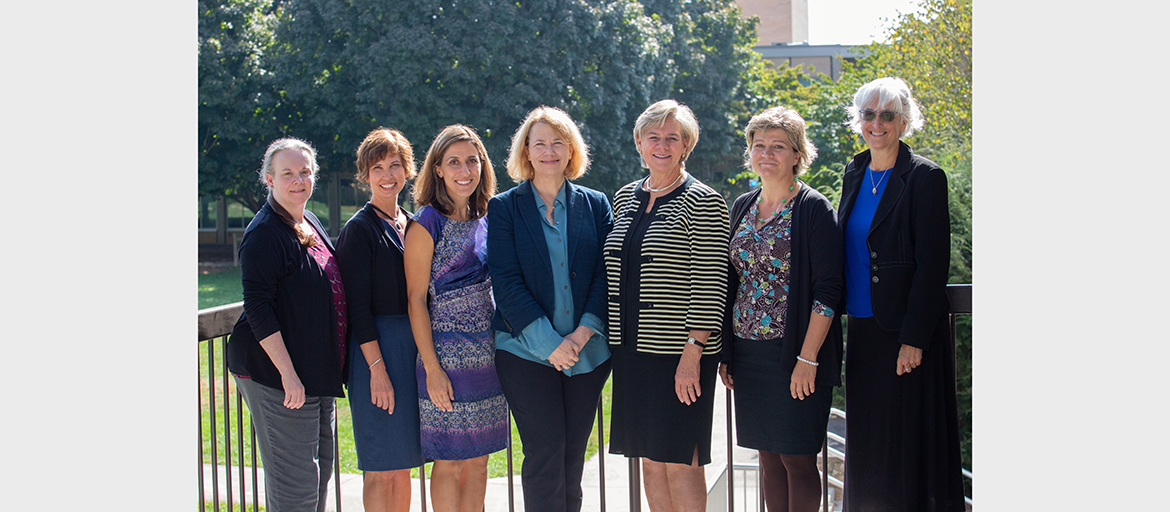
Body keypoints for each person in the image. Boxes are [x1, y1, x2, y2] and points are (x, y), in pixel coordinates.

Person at [837, 77, 965, 511]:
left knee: (908, 447)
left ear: (904, 122)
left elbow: (932, 265)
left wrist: (913, 336)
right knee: (868, 443)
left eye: (887, 115)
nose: (877, 123)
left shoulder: (926, 177)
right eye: (868, 114)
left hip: (906, 336)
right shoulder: (853, 172)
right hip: (863, 327)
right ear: (858, 121)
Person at [603, 99, 730, 512]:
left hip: (679, 354)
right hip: (631, 350)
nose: (662, 145)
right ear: (639, 142)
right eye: (653, 136)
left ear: (686, 145)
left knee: (681, 460)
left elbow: (712, 283)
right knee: (649, 460)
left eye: (672, 137)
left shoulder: (704, 201)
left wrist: (693, 352)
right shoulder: (624, 198)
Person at [487, 106, 613, 512]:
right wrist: (549, 345)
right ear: (525, 150)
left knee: (572, 458)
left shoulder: (595, 205)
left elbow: (604, 275)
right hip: (524, 353)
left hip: (586, 352)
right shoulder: (504, 208)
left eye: (558, 142)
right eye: (539, 142)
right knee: (545, 454)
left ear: (571, 149)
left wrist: (579, 335)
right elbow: (505, 283)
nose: (549, 151)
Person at [717, 106, 843, 512]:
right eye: (759, 145)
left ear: (796, 154)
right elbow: (733, 281)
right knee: (767, 456)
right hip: (749, 354)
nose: (766, 154)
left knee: (798, 458)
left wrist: (808, 357)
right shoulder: (743, 205)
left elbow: (828, 290)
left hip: (795, 354)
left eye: (778, 146)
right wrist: (728, 354)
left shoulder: (813, 209)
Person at [226, 137, 346, 512]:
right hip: (277, 376)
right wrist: (288, 375)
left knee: (319, 475)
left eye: (305, 172)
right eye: (288, 173)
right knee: (295, 489)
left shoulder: (306, 219)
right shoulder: (264, 234)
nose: (298, 180)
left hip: (315, 373)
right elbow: (258, 309)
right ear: (269, 179)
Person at [403, 124, 506, 512]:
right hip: (444, 355)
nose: (465, 170)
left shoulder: (488, 218)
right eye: (454, 162)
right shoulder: (426, 221)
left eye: (472, 161)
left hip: (488, 356)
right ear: (439, 170)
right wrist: (432, 368)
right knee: (449, 460)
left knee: (480, 460)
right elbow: (415, 300)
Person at [335, 128, 423, 512]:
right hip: (376, 353)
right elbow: (357, 308)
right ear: (365, 175)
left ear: (408, 170)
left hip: (411, 351)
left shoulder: (413, 222)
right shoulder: (359, 230)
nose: (388, 175)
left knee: (404, 465)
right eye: (377, 168)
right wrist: (377, 369)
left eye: (395, 165)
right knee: (381, 467)